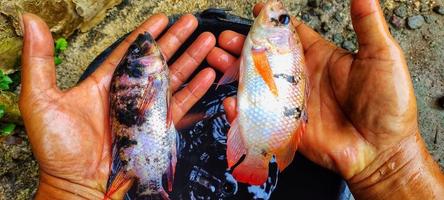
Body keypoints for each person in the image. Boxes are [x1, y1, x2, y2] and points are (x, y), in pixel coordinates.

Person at [19, 0, 444, 199]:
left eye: (281, 21)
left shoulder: (274, 48)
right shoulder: (272, 47)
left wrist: (68, 191)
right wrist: (393, 168)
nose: (274, 16)